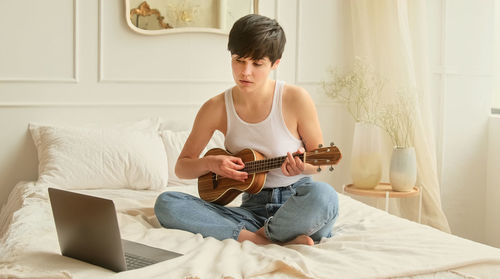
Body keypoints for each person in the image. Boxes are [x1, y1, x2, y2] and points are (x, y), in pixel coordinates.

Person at [154, 14, 339, 246]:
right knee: (167, 202)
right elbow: (182, 167)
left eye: (257, 63)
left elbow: (320, 161)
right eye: (238, 60)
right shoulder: (215, 108)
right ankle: (265, 238)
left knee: (325, 196)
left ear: (275, 63)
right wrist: (212, 164)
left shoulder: (295, 99)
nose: (245, 72)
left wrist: (303, 167)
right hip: (252, 211)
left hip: (298, 205)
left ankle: (261, 236)